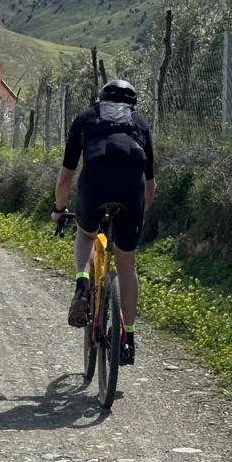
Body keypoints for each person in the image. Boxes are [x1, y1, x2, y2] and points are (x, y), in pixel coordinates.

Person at [50, 80, 155, 366]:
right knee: (126, 264)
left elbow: (65, 179)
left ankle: (82, 285)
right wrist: (137, 215)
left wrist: (59, 210)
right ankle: (128, 338)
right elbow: (150, 186)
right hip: (131, 193)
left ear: (101, 99)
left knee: (85, 235)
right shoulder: (139, 123)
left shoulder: (85, 119)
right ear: (132, 103)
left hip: (94, 186)